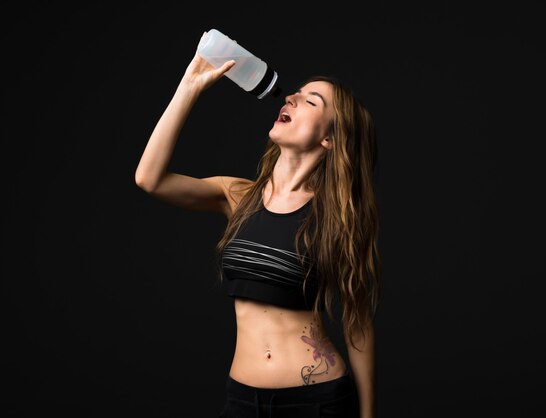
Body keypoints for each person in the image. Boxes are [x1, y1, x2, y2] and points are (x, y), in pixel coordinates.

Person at [135, 32, 381, 418]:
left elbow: (357, 323)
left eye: (310, 100)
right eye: (294, 94)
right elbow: (149, 178)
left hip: (318, 402)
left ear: (330, 139)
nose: (290, 98)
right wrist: (190, 85)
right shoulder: (238, 196)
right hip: (242, 402)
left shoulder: (338, 217)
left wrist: (368, 415)